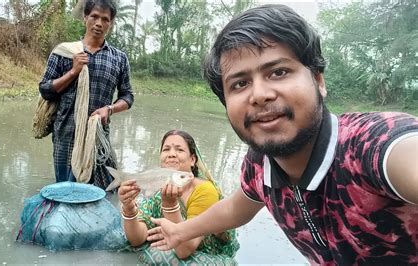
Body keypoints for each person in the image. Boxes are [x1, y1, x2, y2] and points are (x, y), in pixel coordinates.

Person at [146, 4, 418, 265]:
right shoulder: (259, 164)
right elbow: (234, 208)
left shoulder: (370, 145)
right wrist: (181, 232)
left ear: (318, 80)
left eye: (278, 72)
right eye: (240, 83)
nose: (260, 95)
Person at [38, 0, 134, 188]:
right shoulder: (64, 52)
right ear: (85, 18)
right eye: (94, 17)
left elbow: (128, 96)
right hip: (66, 135)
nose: (99, 23)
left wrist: (110, 109)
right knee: (65, 189)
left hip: (98, 136)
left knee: (101, 191)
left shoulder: (119, 58)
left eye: (105, 19)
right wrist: (73, 72)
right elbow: (45, 90)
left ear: (110, 23)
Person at [118, 130, 239, 260]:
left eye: (179, 150)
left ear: (192, 160)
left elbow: (184, 250)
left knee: (158, 255)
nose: (171, 154)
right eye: (166, 149)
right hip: (174, 245)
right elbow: (137, 240)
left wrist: (170, 205)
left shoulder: (205, 190)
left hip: (204, 255)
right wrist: (129, 208)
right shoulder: (159, 186)